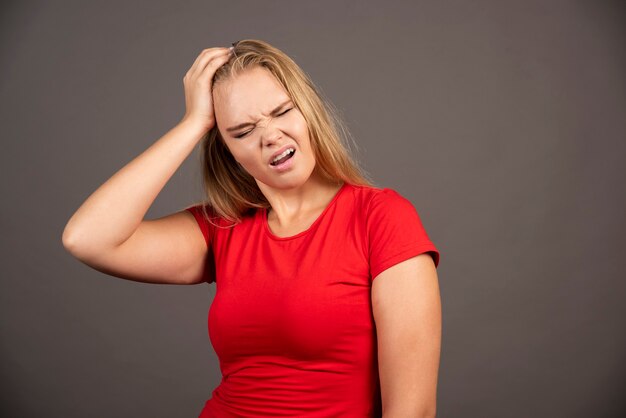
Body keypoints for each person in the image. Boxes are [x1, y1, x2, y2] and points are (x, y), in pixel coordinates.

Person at [62, 39, 442, 417]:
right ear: (226, 150)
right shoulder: (222, 227)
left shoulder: (381, 217)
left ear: (307, 109)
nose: (270, 135)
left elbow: (414, 411)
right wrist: (193, 123)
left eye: (281, 111)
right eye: (242, 131)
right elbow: (88, 239)